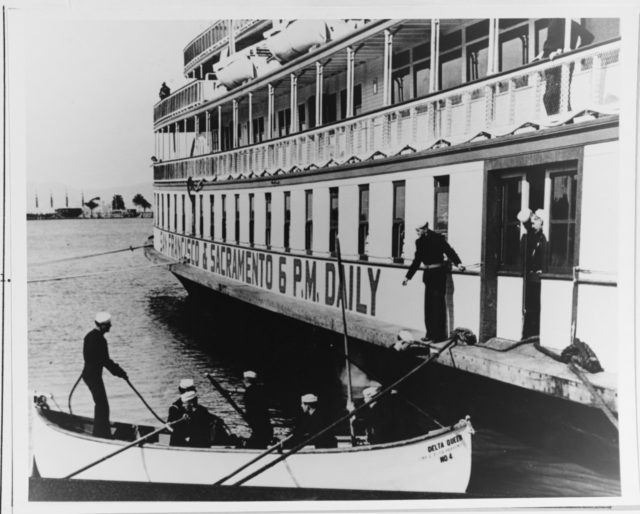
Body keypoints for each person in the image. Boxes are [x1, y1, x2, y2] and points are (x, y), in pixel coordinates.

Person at [402, 222, 465, 342]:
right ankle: (430, 333)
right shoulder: (419, 242)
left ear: (425, 228)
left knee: (438, 306)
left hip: (438, 274)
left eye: (418, 230)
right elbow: (417, 260)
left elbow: (449, 251)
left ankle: (439, 336)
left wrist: (458, 263)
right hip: (428, 276)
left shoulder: (438, 238)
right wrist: (408, 277)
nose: (417, 233)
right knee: (429, 306)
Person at [82, 312, 128, 438]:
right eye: (108, 325)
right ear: (102, 326)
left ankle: (101, 432)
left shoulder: (89, 336)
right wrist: (120, 372)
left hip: (89, 375)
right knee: (102, 405)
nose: (110, 326)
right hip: (93, 376)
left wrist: (118, 372)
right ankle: (101, 435)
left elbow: (93, 359)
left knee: (101, 404)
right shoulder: (100, 340)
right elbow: (105, 361)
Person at [536, 19, 594, 115]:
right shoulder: (553, 22)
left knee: (555, 96)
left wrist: (572, 51)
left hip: (560, 61)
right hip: (549, 62)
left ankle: (561, 123)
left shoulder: (568, 22)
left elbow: (588, 37)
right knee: (552, 98)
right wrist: (540, 56)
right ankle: (559, 124)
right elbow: (549, 44)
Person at [517, 208, 547, 339]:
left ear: (542, 222)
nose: (532, 224)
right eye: (531, 221)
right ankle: (528, 332)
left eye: (535, 220)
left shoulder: (542, 238)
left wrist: (541, 268)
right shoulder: (528, 238)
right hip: (529, 276)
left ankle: (535, 332)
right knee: (529, 305)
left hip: (539, 277)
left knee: (537, 305)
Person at [167, 390, 236, 447]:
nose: (183, 406)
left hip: (198, 443)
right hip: (200, 441)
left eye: (185, 403)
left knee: (176, 437)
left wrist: (175, 425)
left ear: (191, 403)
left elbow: (192, 431)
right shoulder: (201, 410)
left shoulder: (197, 414)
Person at [242, 370, 273, 449]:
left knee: (250, 447)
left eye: (244, 379)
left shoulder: (248, 393)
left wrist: (247, 417)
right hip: (267, 429)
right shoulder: (261, 390)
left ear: (246, 380)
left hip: (259, 430)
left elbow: (251, 411)